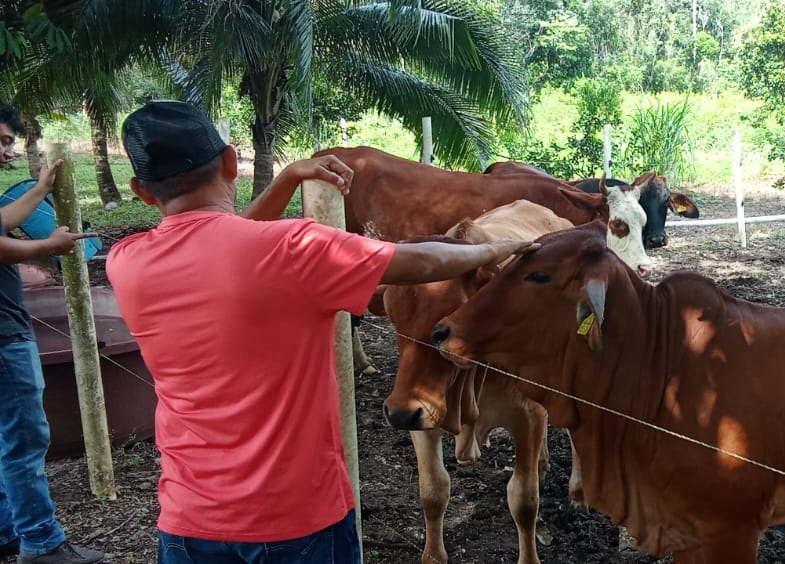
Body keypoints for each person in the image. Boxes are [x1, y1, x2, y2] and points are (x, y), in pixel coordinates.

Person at [105, 100, 535, 564]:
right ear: (230, 161)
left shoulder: (125, 262)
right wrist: (497, 249)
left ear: (141, 190)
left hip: (187, 521)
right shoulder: (295, 248)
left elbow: (215, 240)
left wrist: (288, 178)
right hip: (298, 520)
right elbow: (424, 262)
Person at [0, 101, 106, 564]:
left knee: (7, 437)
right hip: (5, 337)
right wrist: (48, 245)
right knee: (24, 441)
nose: (7, 151)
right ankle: (41, 543)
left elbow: (4, 222)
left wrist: (41, 188)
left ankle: (7, 529)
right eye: (2, 141)